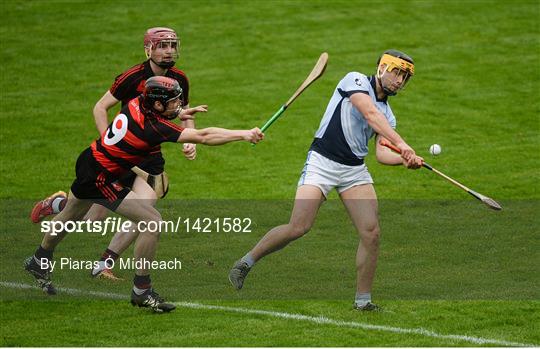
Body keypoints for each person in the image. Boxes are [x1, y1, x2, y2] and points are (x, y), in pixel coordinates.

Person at [24, 76, 264, 312]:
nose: (178, 105)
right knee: (152, 221)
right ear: (157, 105)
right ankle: (142, 291)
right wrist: (243, 134)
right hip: (101, 177)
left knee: (70, 216)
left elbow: (162, 115)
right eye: (172, 102)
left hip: (90, 160)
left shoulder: (137, 101)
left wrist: (178, 114)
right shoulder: (152, 128)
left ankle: (39, 260)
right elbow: (203, 136)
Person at [229, 49, 423, 311]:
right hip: (322, 162)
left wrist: (404, 159)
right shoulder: (354, 81)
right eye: (396, 72)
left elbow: (381, 152)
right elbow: (369, 115)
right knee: (299, 226)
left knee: (371, 233)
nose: (399, 80)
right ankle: (246, 262)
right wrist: (404, 144)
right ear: (382, 68)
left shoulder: (389, 115)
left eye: (404, 77)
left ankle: (363, 301)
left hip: (354, 169)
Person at [29, 27, 205, 280]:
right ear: (149, 49)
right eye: (162, 46)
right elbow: (100, 108)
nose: (169, 51)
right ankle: (58, 205)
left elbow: (185, 111)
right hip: (118, 156)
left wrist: (191, 140)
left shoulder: (179, 79)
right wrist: (110, 147)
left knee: (144, 214)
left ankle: (104, 263)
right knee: (93, 220)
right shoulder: (132, 77)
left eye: (172, 45)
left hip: (150, 159)